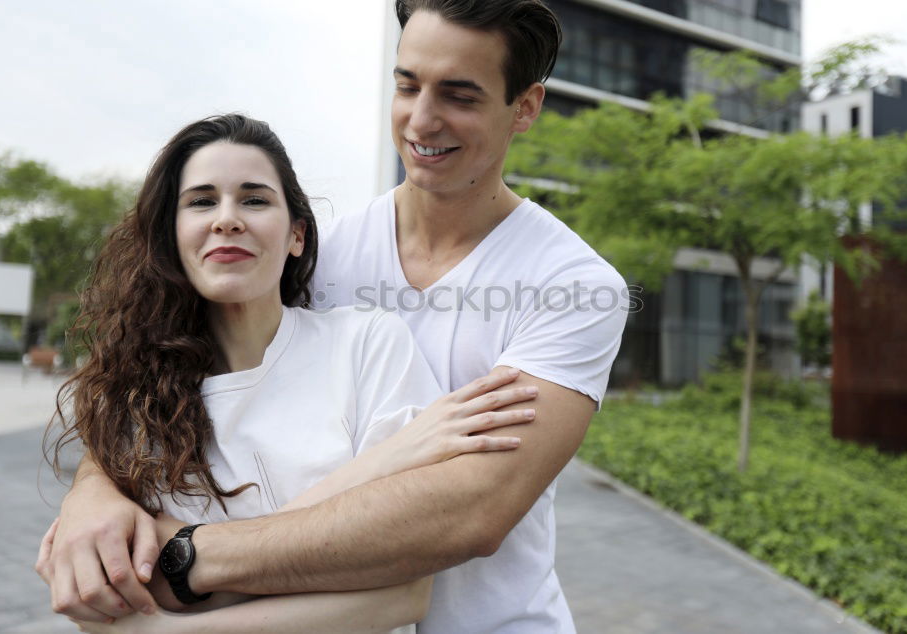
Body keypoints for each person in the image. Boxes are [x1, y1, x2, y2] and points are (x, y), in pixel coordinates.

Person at [40, 0, 629, 632]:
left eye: (459, 95)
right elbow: (169, 374)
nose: (422, 118)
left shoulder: (572, 286)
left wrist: (186, 555)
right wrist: (96, 490)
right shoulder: (322, 256)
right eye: (408, 84)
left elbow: (471, 512)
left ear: (524, 107)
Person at [37, 113, 541, 633]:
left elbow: (405, 588)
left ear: (296, 235)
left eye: (254, 199)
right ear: (172, 235)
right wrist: (380, 466)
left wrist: (181, 606)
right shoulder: (139, 397)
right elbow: (129, 592)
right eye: (202, 201)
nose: (227, 219)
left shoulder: (365, 343)